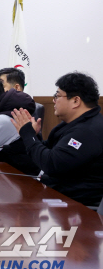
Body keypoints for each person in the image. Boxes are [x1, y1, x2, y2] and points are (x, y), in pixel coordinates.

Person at [11, 72, 103, 207]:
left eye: (58, 96)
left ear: (76, 101)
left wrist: (27, 134)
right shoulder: (71, 124)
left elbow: (52, 164)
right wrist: (33, 137)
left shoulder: (87, 131)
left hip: (79, 208)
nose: (54, 100)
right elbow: (47, 151)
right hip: (57, 196)